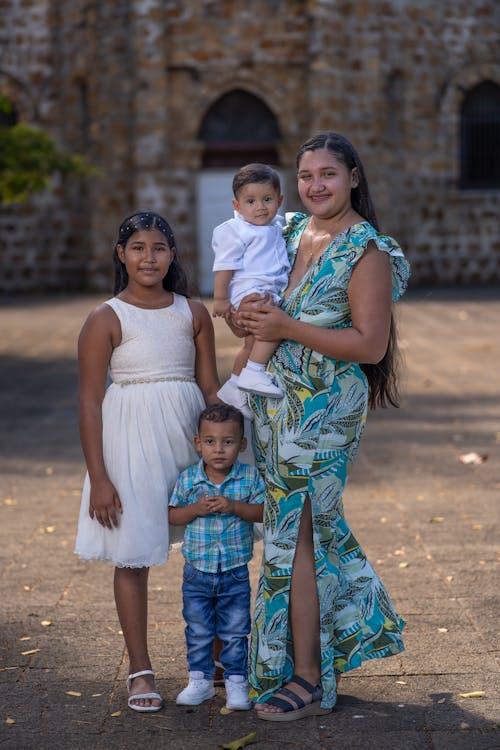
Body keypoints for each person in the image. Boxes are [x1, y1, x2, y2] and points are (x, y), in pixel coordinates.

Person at [232, 132, 410, 721]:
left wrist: (285, 327)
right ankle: (297, 657)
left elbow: (370, 343)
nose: (314, 186)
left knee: (301, 529)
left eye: (328, 174)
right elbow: (256, 305)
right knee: (293, 531)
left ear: (353, 177)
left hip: (326, 412)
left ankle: (309, 678)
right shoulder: (284, 231)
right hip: (273, 404)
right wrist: (244, 316)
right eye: (306, 175)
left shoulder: (368, 250)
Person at [74, 211, 220, 712]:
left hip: (186, 435)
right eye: (137, 248)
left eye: (159, 248)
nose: (148, 257)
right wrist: (99, 478)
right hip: (130, 441)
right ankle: (140, 670)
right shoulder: (106, 318)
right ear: (122, 255)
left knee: (209, 542)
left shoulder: (193, 312)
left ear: (173, 254)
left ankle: (217, 657)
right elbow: (90, 400)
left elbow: (208, 387)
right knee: (134, 553)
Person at [168, 403, 265, 711]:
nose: (219, 449)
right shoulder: (188, 480)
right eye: (210, 441)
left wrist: (235, 506)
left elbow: (263, 511)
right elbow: (172, 515)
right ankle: (201, 681)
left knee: (236, 630)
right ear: (199, 443)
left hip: (235, 572)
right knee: (198, 629)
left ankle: (237, 682)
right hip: (196, 572)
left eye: (228, 442)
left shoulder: (249, 478)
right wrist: (195, 509)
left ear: (242, 444)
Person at [212, 164, 291, 418]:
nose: (260, 207)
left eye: (267, 199)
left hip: (265, 287)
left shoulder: (277, 225)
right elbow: (224, 265)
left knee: (250, 342)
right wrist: (221, 299)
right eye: (250, 201)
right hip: (250, 290)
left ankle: (235, 386)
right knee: (273, 326)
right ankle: (254, 372)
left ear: (279, 201)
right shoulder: (237, 231)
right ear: (237, 206)